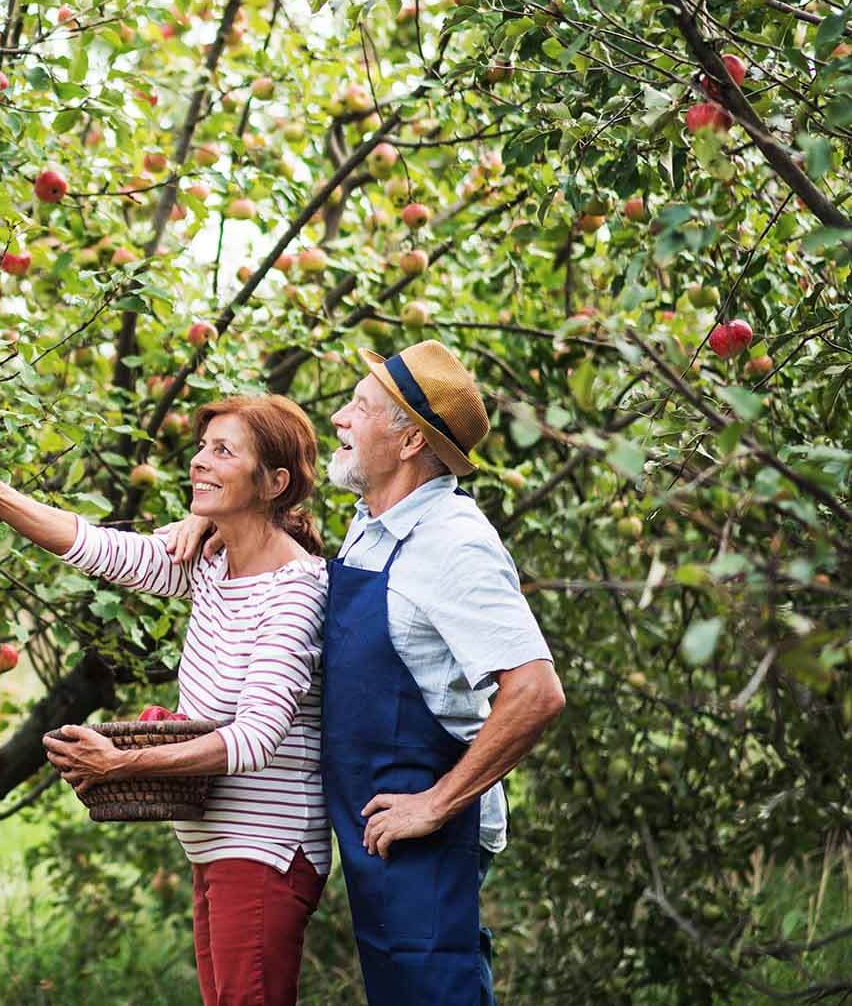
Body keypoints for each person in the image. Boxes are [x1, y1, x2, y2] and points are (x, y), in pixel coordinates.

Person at [168, 340, 566, 1005]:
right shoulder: (373, 523)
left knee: (435, 992)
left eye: (359, 407)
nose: (340, 421)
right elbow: (284, 544)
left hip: (431, 825)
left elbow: (535, 690)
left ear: (408, 440)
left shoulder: (453, 541)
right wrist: (211, 514)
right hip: (375, 821)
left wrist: (436, 803)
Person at [0, 395, 333, 1006]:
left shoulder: (295, 591)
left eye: (223, 451)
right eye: (202, 446)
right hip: (216, 844)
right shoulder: (212, 562)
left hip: (264, 848)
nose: (199, 462)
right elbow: (94, 546)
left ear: (274, 483)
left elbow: (257, 738)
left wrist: (124, 764)